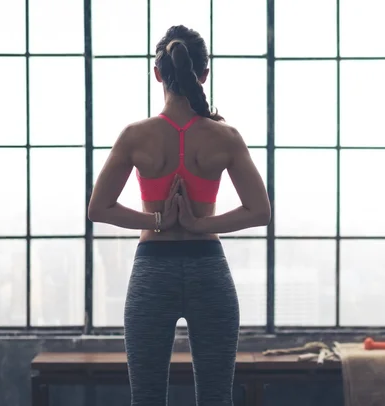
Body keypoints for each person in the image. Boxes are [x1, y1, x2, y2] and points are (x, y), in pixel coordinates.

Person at [87, 25, 271, 406]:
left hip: (153, 272)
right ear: (203, 74)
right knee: (217, 398)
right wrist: (200, 225)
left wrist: (157, 221)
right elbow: (260, 212)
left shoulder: (135, 136)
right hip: (209, 271)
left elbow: (98, 208)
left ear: (158, 73)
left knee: (147, 398)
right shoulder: (226, 137)